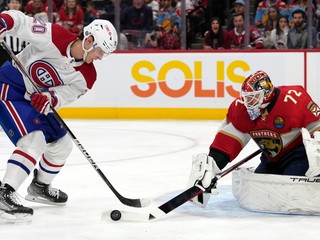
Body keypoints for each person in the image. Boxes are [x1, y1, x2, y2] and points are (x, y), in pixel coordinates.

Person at [0, 10, 117, 219]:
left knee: (63, 144)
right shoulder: (55, 35)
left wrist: (49, 98)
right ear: (89, 40)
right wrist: (4, 21)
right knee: (34, 140)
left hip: (32, 99)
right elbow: (22, 22)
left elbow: (65, 95)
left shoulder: (88, 76)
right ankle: (5, 192)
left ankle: (39, 187)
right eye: (101, 51)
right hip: (10, 88)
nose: (100, 57)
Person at [187, 70, 320, 207]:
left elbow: (317, 126)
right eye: (246, 97)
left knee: (292, 193)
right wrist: (211, 169)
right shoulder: (241, 109)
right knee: (262, 193)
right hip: (270, 159)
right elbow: (226, 143)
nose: (248, 102)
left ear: (267, 93)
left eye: (254, 97)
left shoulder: (293, 100)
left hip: (298, 155)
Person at [0, 0, 28, 66]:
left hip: (21, 51)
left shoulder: (25, 18)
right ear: (8, 4)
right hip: (5, 51)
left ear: (20, 5)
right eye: (12, 2)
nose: (15, 4)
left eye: (17, 3)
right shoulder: (2, 17)